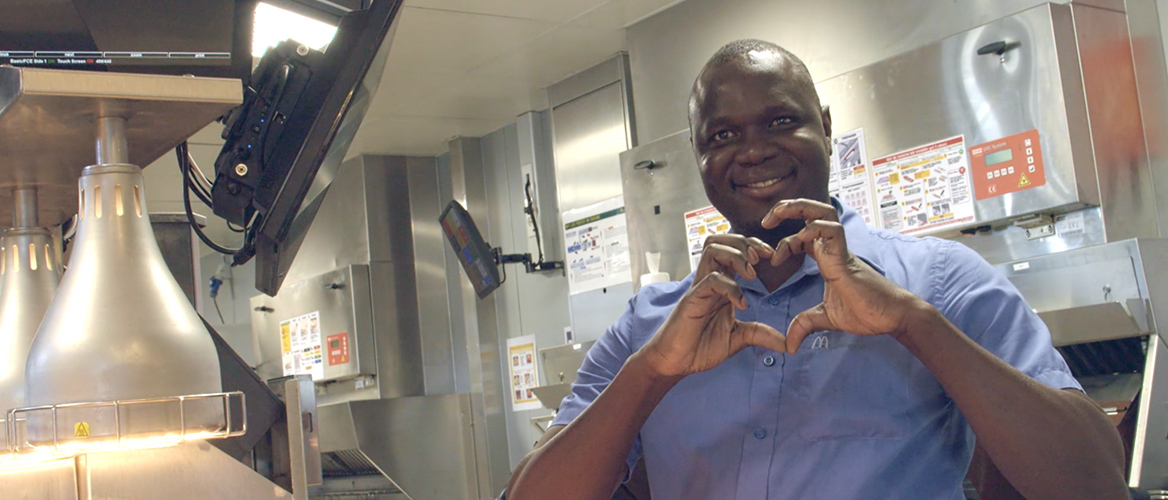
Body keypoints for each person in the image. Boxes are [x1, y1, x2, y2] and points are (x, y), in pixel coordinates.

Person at [506, 40, 1127, 500]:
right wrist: (652, 373)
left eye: (780, 121)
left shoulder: (939, 281)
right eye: (722, 134)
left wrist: (914, 325)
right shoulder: (650, 325)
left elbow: (1093, 482)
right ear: (700, 157)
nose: (752, 150)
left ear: (825, 128)